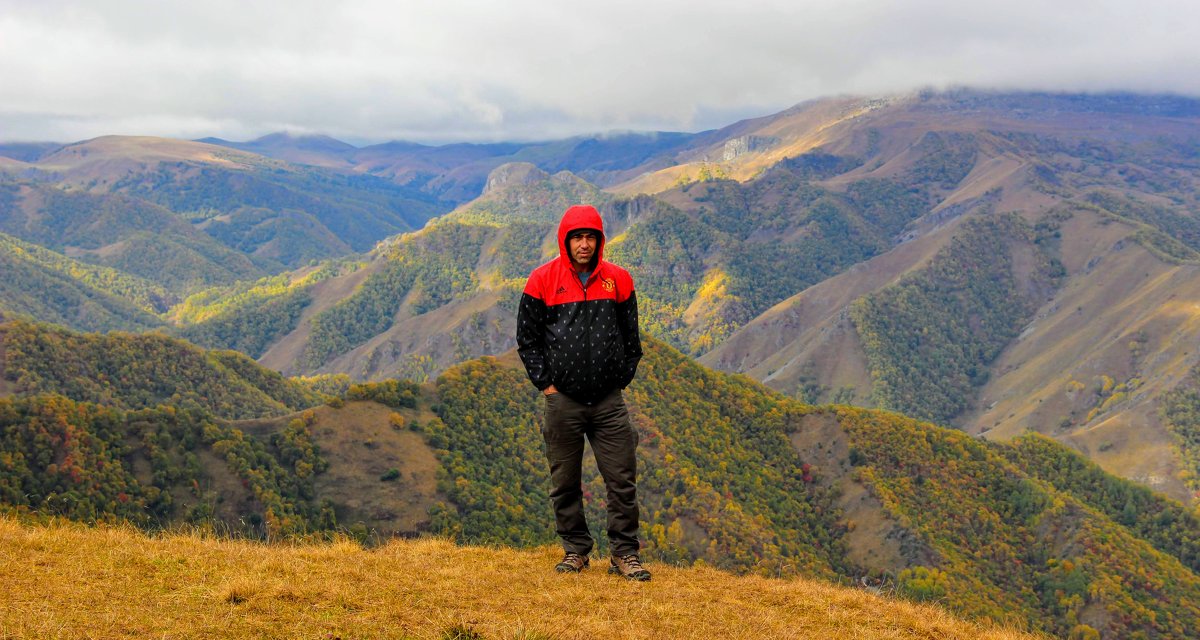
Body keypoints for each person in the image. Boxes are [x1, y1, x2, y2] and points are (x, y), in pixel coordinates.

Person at [516, 204, 649, 581]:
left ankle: (625, 554)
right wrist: (548, 386)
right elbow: (527, 341)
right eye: (578, 237)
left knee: (621, 479)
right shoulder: (542, 280)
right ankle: (575, 551)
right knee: (564, 481)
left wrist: (620, 378)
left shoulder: (618, 280)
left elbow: (631, 338)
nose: (585, 244)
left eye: (591, 237)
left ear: (600, 240)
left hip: (608, 401)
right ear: (566, 241)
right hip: (563, 402)